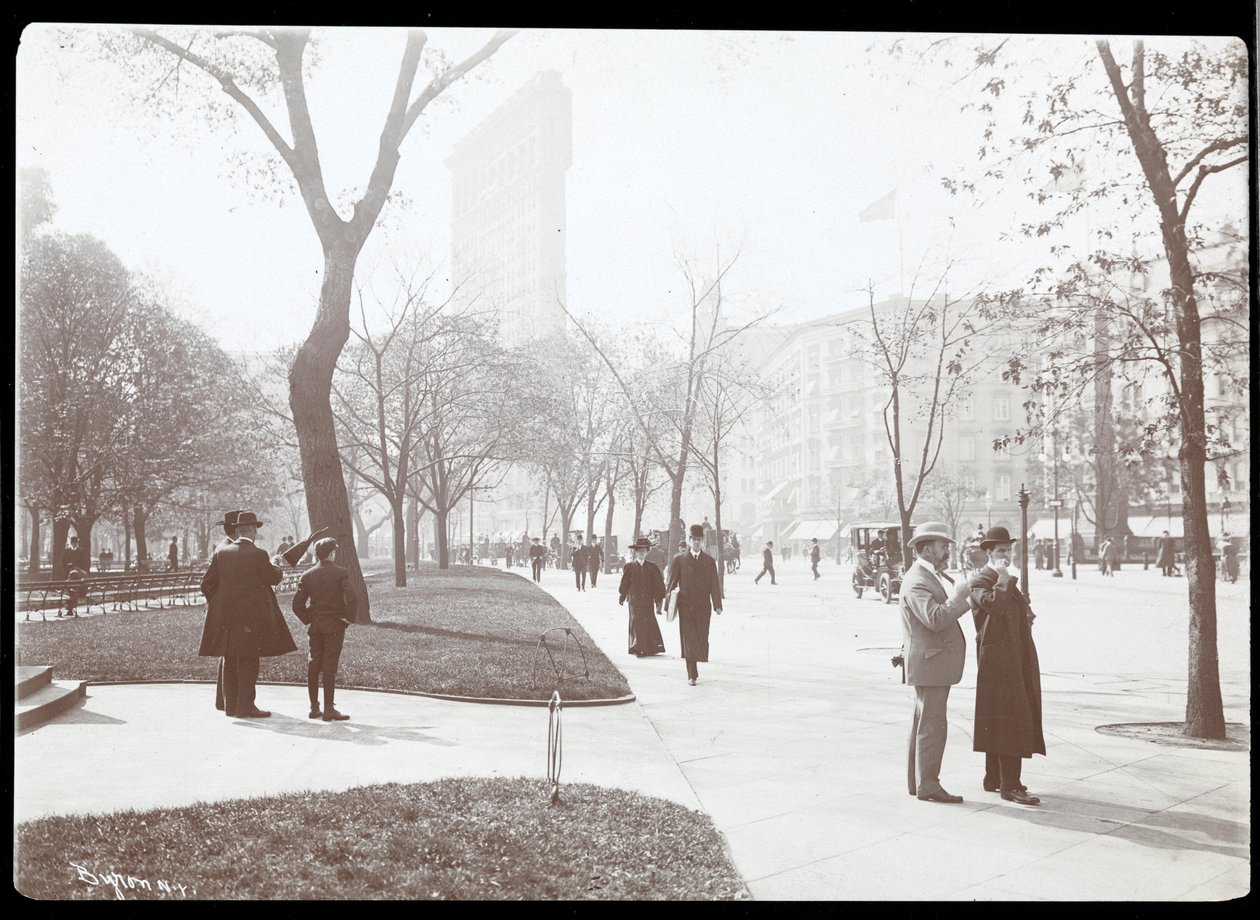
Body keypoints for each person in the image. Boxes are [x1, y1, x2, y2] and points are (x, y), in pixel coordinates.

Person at [898, 521, 975, 804]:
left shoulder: (925, 574)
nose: (947, 552)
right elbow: (935, 619)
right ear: (928, 549)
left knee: (923, 724)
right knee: (932, 726)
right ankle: (928, 784)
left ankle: (918, 782)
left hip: (930, 663)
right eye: (944, 547)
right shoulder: (918, 579)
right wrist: (960, 596)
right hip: (931, 665)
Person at [968, 526, 1045, 806]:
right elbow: (996, 606)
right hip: (997, 663)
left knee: (997, 718)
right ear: (988, 553)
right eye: (1001, 551)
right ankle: (1010, 785)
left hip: (1012, 657)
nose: (1007, 555)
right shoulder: (981, 580)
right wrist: (1003, 578)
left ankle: (994, 778)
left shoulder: (998, 579)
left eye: (1009, 550)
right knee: (1009, 718)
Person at [198, 511, 297, 718]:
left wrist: (219, 605)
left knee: (231, 659)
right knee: (249, 660)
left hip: (227, 618)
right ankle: (246, 706)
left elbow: (206, 584)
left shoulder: (221, 552)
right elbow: (273, 578)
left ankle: (231, 706)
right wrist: (277, 564)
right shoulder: (259, 554)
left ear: (237, 530)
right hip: (251, 618)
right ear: (252, 531)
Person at [292, 537, 357, 721]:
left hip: (316, 626)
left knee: (313, 665)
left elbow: (297, 605)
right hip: (335, 624)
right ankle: (329, 708)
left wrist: (309, 618)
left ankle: (314, 708)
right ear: (331, 554)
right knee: (330, 666)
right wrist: (348, 619)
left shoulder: (307, 575)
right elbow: (352, 598)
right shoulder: (340, 572)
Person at [665, 524, 723, 685]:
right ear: (689, 540)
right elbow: (670, 584)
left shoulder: (709, 561)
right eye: (693, 540)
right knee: (689, 640)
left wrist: (717, 604)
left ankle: (696, 664)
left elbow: (714, 584)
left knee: (701, 638)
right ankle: (692, 674)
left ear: (702, 541)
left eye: (698, 540)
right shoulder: (680, 559)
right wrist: (666, 606)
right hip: (686, 607)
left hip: (704, 607)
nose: (696, 543)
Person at [619, 537, 666, 657]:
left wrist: (658, 598)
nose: (641, 552)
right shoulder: (630, 567)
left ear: (647, 551)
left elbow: (657, 584)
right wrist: (622, 596)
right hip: (634, 601)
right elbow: (625, 583)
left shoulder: (652, 567)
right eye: (639, 550)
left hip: (647, 601)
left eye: (644, 550)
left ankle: (648, 648)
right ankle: (637, 647)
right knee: (636, 622)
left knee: (647, 622)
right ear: (635, 552)